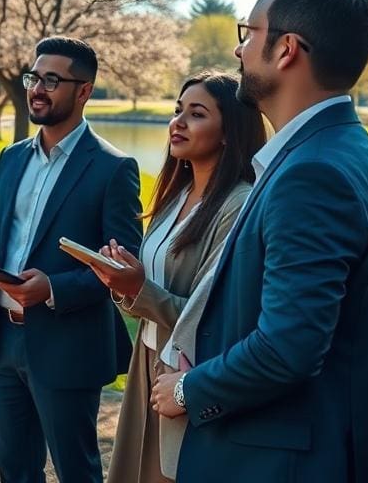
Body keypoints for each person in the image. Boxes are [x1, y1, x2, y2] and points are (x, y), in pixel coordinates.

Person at [151, 0, 368, 483]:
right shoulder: (346, 150)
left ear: (287, 50)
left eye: (248, 33)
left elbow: (287, 347)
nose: (239, 51)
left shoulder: (314, 173)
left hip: (278, 461)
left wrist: (190, 389)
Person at [0, 36, 143, 483]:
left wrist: (54, 288)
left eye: (52, 80)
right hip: (4, 344)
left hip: (68, 345)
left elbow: (125, 267)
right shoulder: (11, 159)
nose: (36, 89)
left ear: (83, 91)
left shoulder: (113, 168)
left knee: (76, 472)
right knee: (17, 472)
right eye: (34, 77)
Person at [89, 72, 265, 482]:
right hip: (146, 361)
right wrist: (121, 283)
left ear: (228, 131)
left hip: (187, 374)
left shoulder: (236, 207)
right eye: (177, 110)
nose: (178, 122)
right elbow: (150, 295)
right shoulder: (175, 196)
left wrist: (137, 288)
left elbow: (217, 319)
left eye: (196, 113)